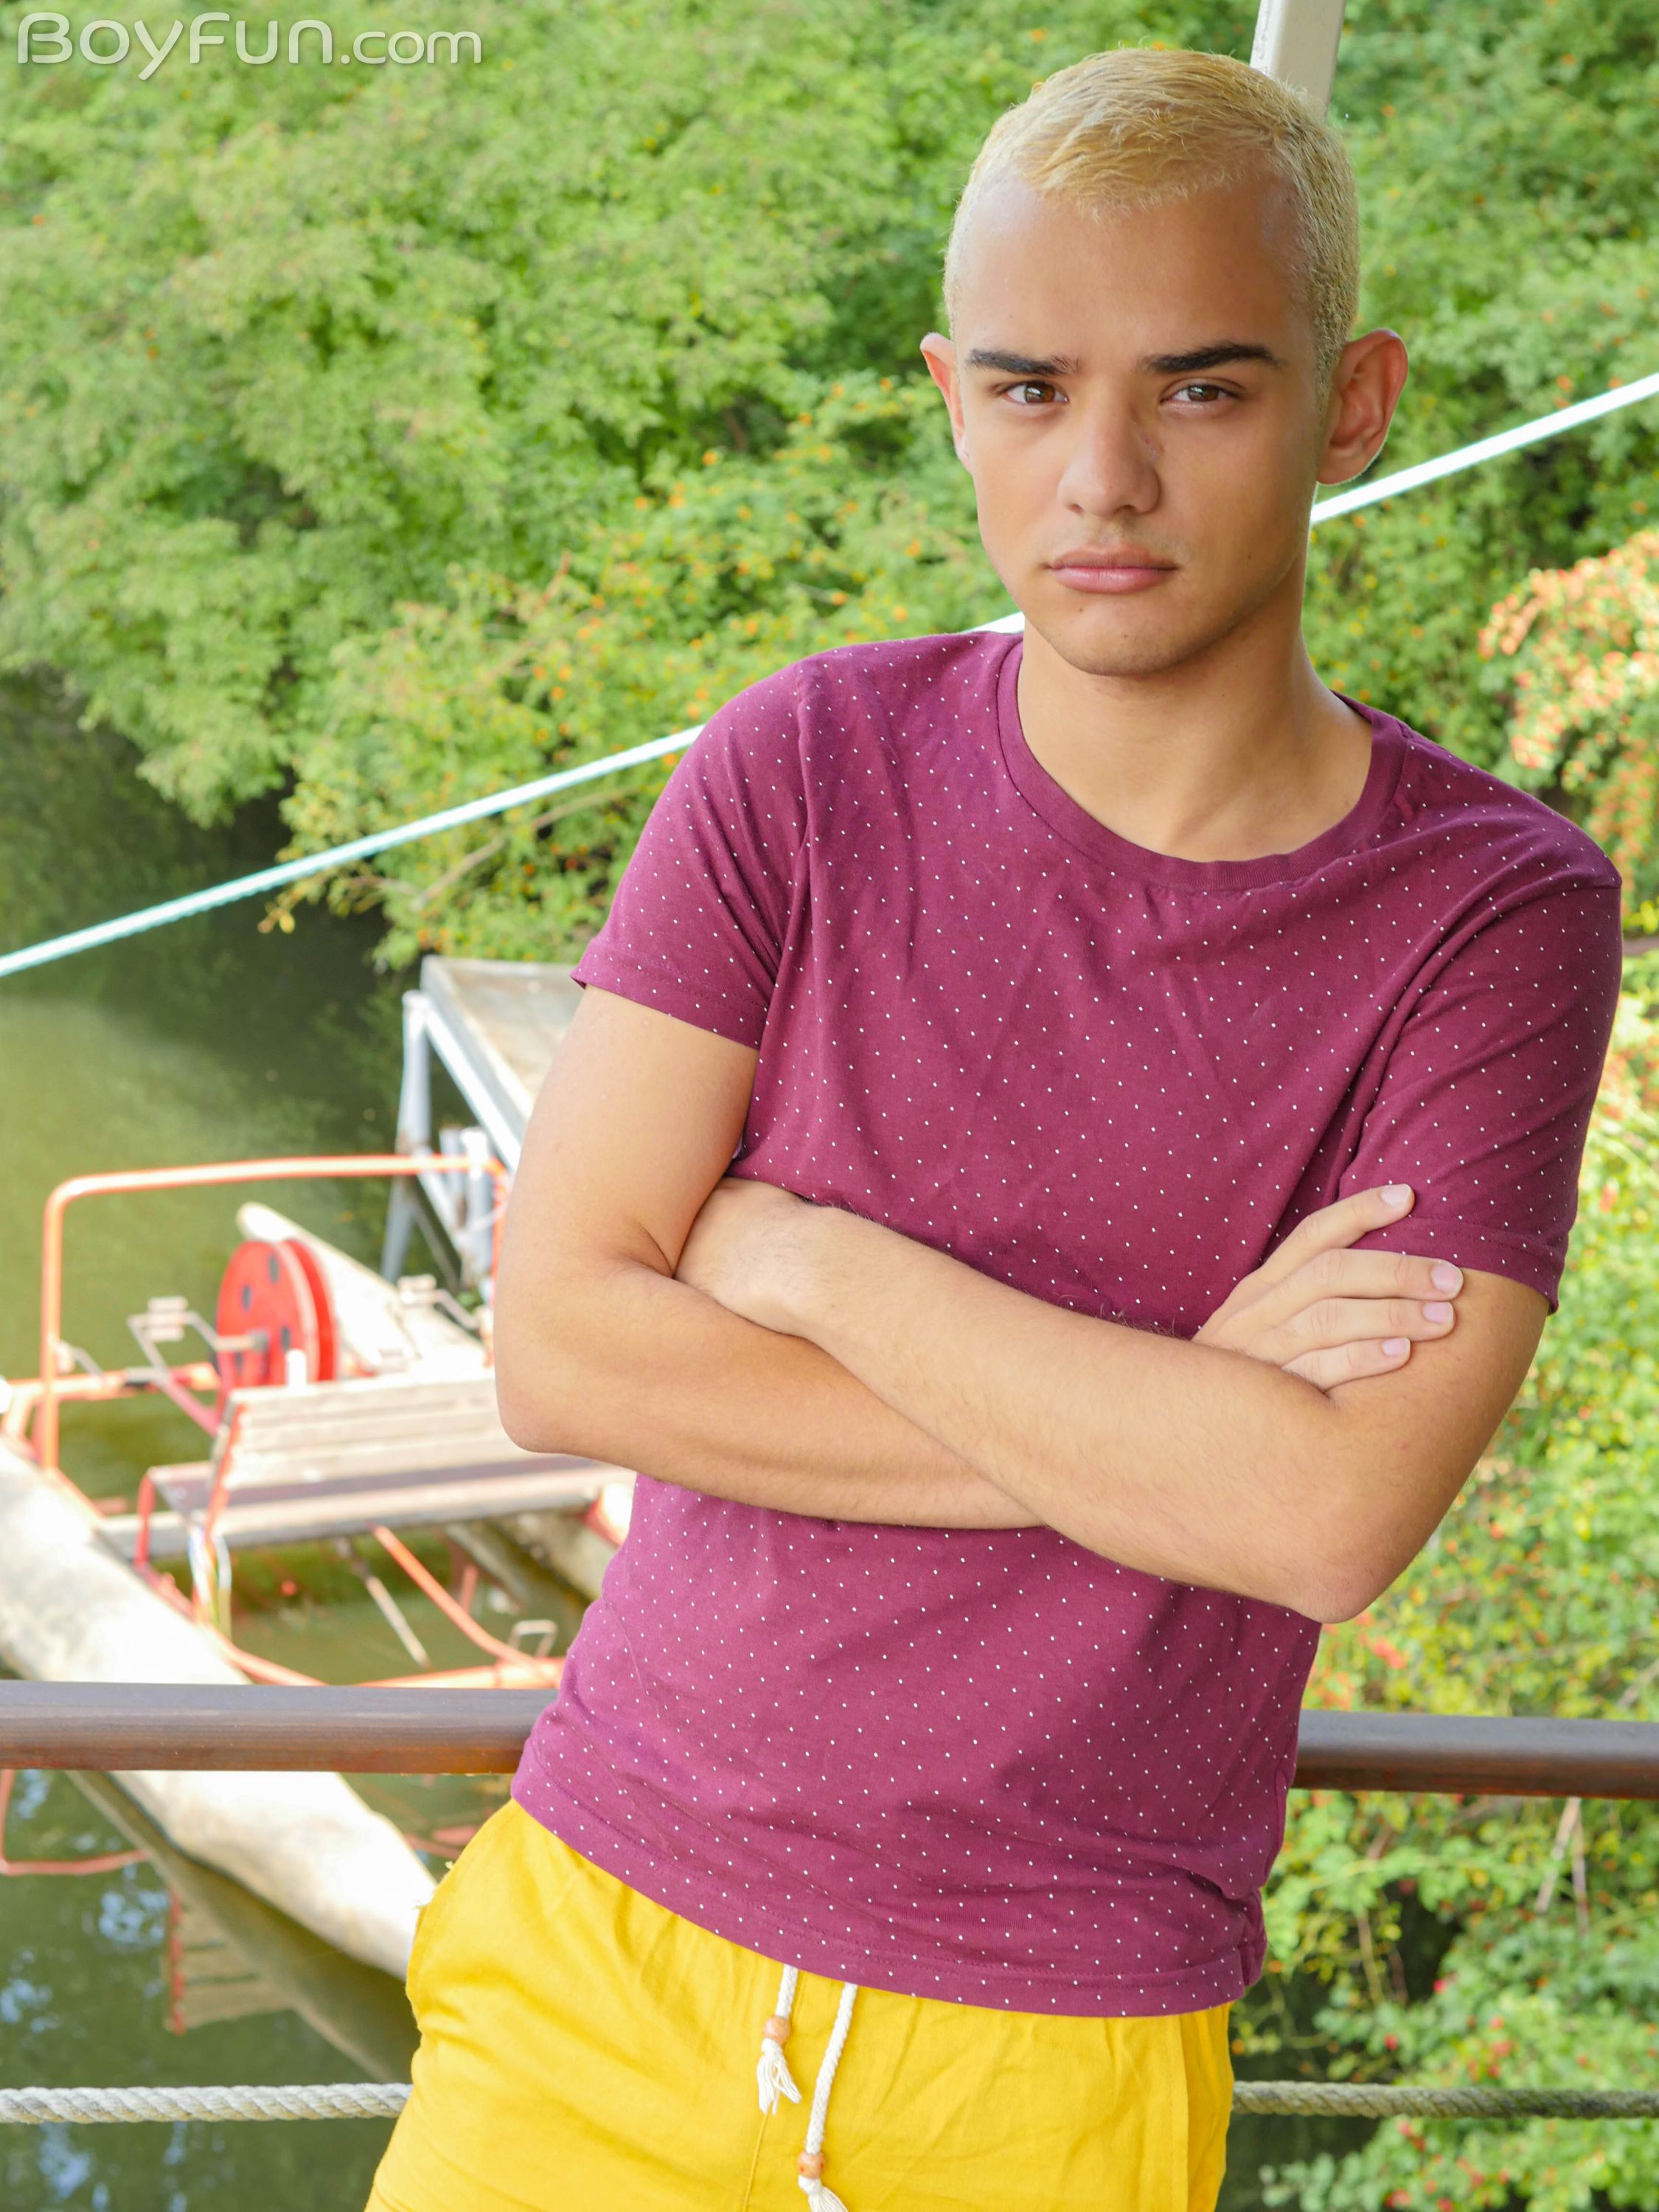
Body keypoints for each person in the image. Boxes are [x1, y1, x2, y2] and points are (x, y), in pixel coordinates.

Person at [366, 45, 1622, 2212]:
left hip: (1057, 2046)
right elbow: (560, 1348)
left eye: (1201, 390)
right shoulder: (799, 771)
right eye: (1032, 392)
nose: (1100, 479)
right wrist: (1182, 1416)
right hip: (595, 1955)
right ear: (954, 399)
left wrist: (809, 1261)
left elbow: (1324, 1518)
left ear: (1351, 404)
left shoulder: (1487, 914)